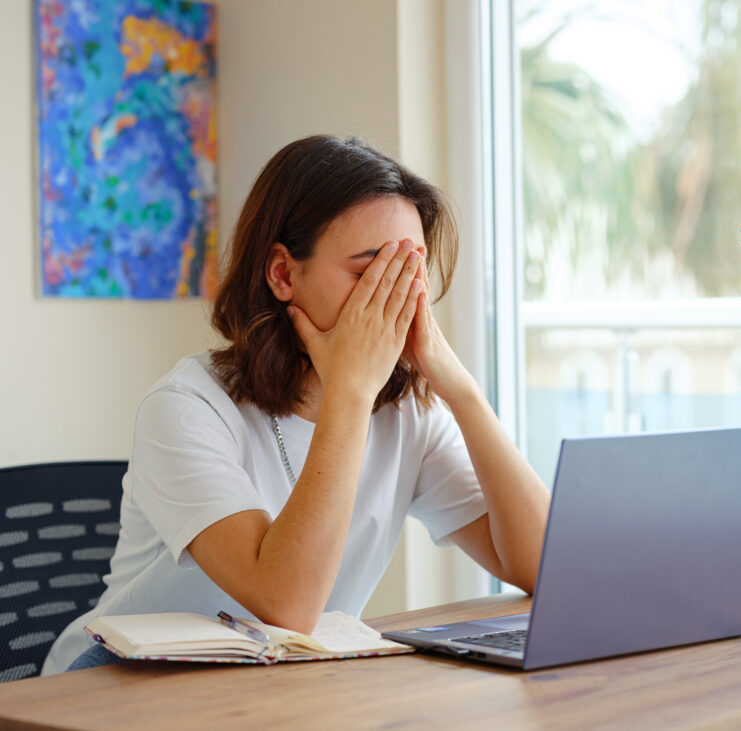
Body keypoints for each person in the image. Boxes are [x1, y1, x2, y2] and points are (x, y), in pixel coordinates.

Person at [42, 135, 551, 674]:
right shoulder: (186, 407)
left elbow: (544, 568)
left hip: (274, 688)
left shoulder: (407, 417)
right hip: (114, 687)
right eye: (371, 272)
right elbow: (287, 605)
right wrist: (350, 391)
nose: (401, 296)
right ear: (283, 274)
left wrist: (460, 388)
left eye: (411, 272)